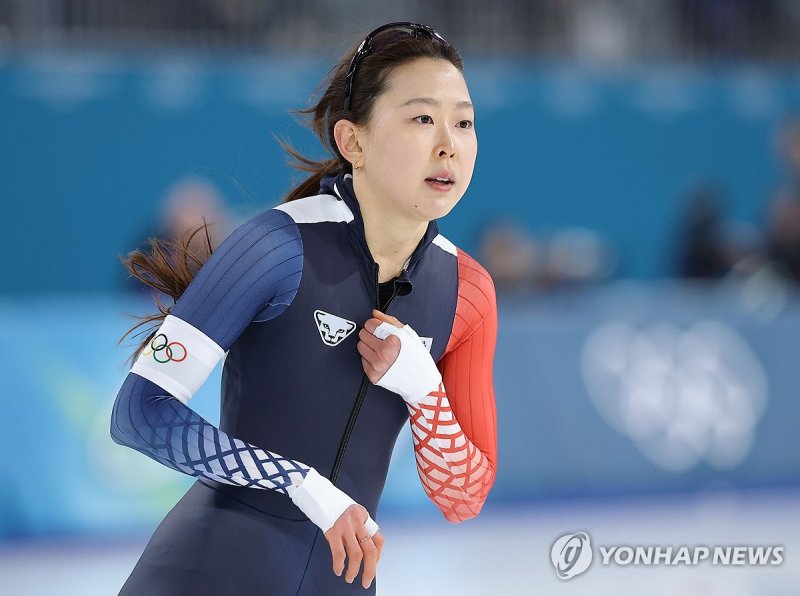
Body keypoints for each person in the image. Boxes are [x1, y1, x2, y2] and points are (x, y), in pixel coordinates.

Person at [110, 21, 498, 595]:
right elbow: (140, 414)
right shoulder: (274, 246)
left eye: (463, 122)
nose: (449, 143)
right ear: (353, 142)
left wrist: (425, 394)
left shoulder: (468, 291)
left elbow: (463, 497)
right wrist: (299, 483)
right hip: (211, 570)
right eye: (422, 118)